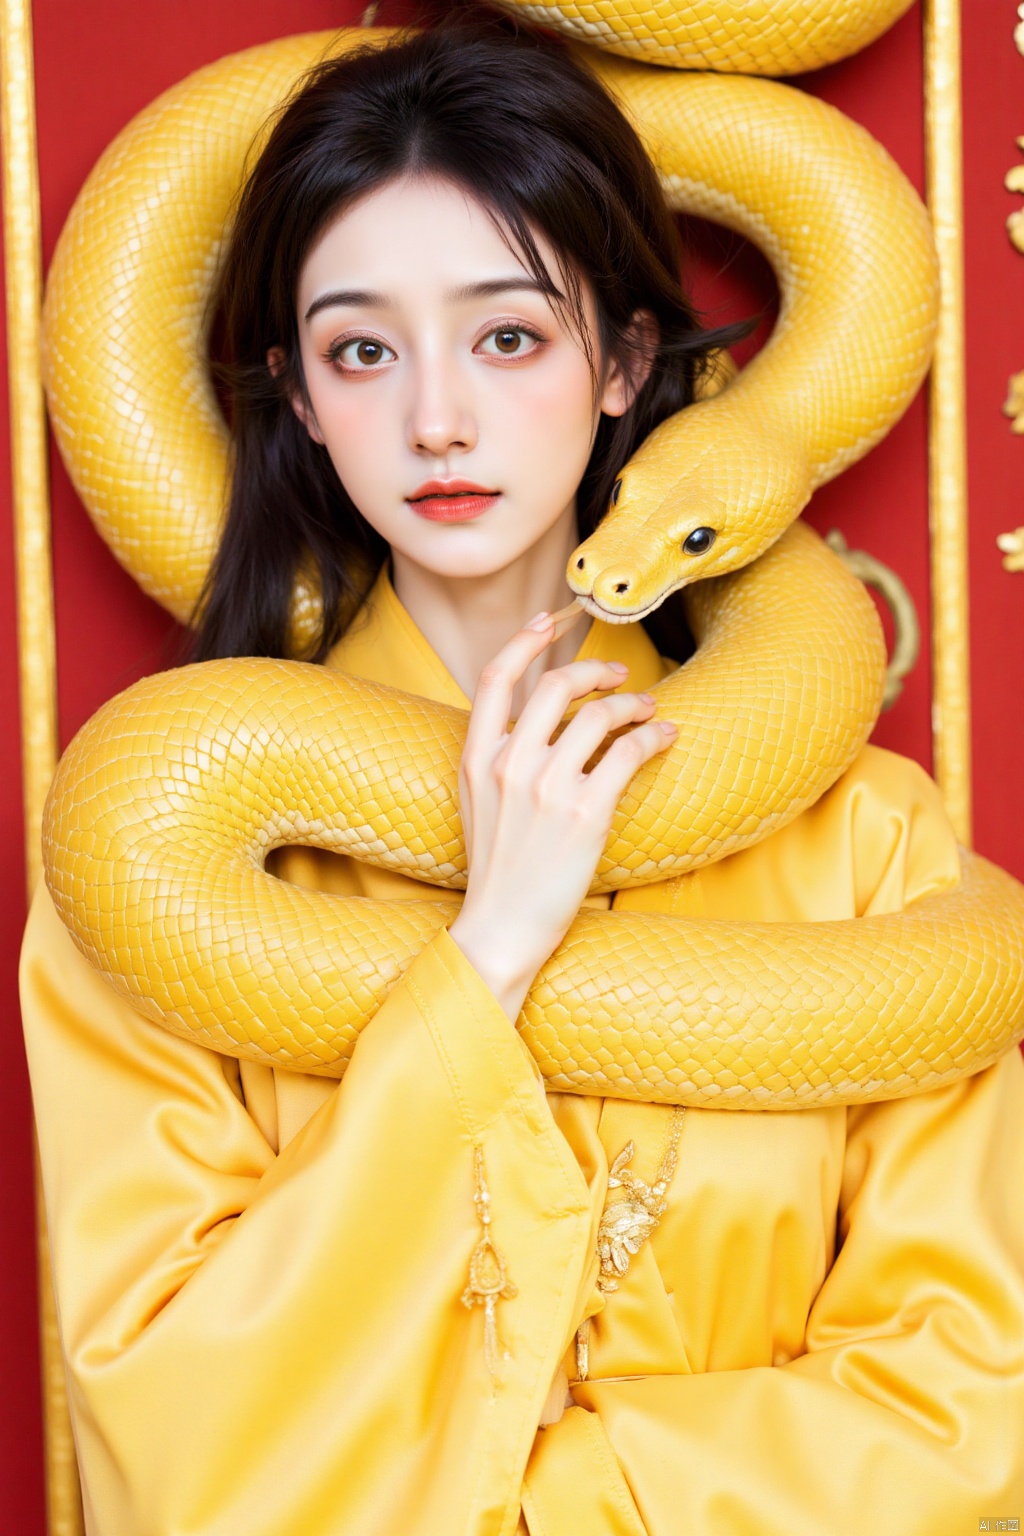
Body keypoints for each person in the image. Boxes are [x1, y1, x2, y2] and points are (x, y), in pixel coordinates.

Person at [21, 19, 1024, 1535]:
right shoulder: (158, 874)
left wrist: (508, 1505)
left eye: (508, 336)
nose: (437, 418)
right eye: (364, 348)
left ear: (625, 359)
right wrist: (485, 952)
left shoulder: (868, 856)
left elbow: (969, 1419)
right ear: (296, 394)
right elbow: (181, 1446)